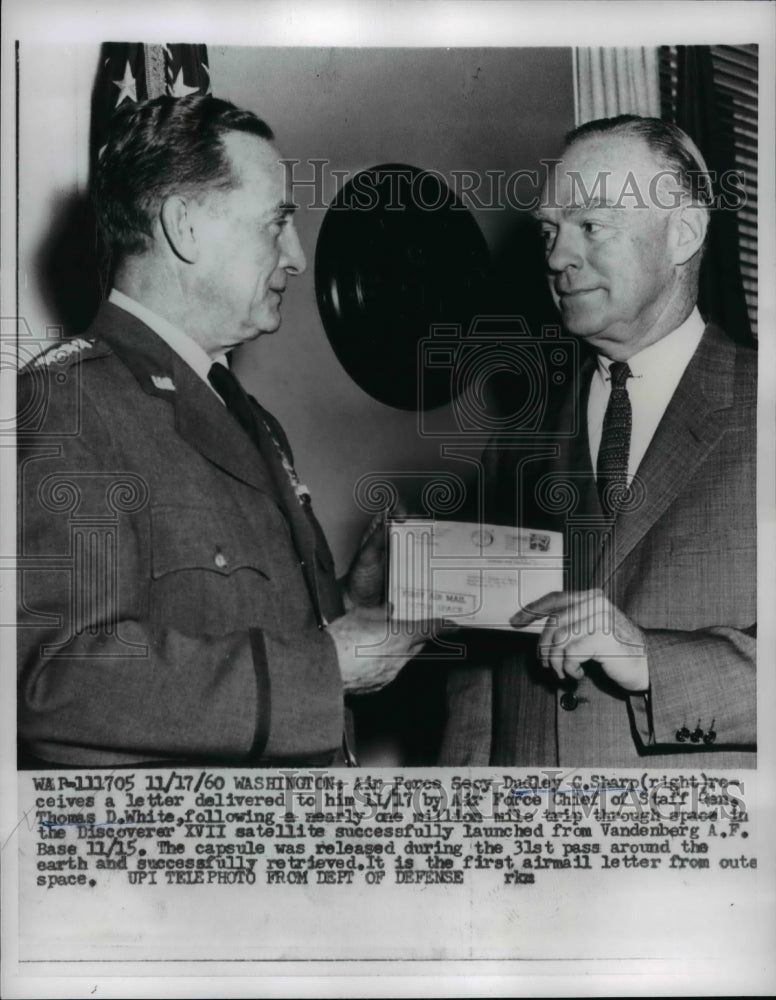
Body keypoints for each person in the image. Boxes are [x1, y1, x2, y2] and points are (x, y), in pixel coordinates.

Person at [17, 94, 428, 768]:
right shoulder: (69, 404)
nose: (296, 257)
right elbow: (57, 685)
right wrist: (327, 669)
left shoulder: (244, 413)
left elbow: (251, 619)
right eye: (276, 224)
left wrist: (353, 598)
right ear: (185, 227)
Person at [440, 115, 756, 768]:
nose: (556, 257)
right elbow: (480, 689)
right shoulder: (515, 444)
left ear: (684, 233)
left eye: (591, 225)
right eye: (550, 231)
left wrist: (651, 660)